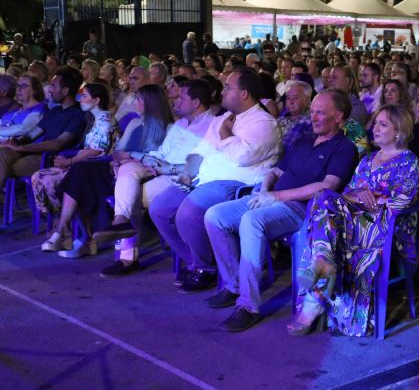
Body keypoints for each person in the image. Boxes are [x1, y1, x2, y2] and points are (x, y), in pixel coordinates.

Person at [203, 89, 359, 332]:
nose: (314, 117)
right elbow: (277, 171)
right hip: (271, 198)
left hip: (299, 208)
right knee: (215, 216)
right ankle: (234, 285)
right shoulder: (305, 139)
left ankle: (248, 306)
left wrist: (276, 195)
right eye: (313, 112)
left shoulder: (344, 147)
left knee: (251, 221)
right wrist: (264, 186)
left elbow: (327, 187)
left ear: (338, 116)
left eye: (321, 113)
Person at [288, 105, 419, 337]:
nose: (374, 128)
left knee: (323, 225)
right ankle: (323, 262)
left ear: (398, 130)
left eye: (383, 124)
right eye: (375, 122)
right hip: (353, 218)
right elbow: (347, 193)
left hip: (385, 224)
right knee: (323, 197)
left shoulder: (408, 161)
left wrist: (374, 197)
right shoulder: (367, 160)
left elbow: (404, 201)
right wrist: (358, 194)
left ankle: (315, 296)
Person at [149, 68, 280, 288]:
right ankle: (198, 262)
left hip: (236, 184)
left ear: (244, 94)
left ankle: (205, 268)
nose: (223, 91)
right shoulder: (223, 119)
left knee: (187, 214)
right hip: (202, 179)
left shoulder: (263, 122)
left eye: (228, 87)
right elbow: (200, 151)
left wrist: (227, 135)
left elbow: (243, 156)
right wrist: (187, 173)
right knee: (159, 209)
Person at [40, 83, 172, 262]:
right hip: (116, 166)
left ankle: (69, 234)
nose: (134, 101)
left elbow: (155, 159)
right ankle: (69, 233)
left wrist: (128, 160)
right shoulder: (134, 122)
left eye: (139, 99)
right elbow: (118, 150)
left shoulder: (168, 128)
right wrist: (120, 159)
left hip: (135, 173)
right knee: (79, 173)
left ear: (150, 102)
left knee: (79, 176)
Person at [90, 79, 215, 263]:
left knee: (128, 196)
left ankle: (127, 257)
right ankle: (120, 220)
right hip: (160, 167)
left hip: (181, 177)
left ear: (195, 103)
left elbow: (197, 164)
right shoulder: (180, 125)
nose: (176, 101)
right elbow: (162, 152)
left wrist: (152, 162)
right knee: (128, 169)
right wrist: (147, 160)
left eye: (181, 97)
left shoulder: (211, 126)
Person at [33, 83, 114, 255]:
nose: (80, 99)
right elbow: (88, 147)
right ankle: (63, 227)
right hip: (83, 165)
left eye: (84, 96)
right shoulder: (92, 119)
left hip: (96, 168)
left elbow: (97, 150)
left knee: (55, 182)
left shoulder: (105, 120)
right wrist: (67, 158)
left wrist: (70, 162)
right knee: (38, 177)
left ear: (97, 100)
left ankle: (64, 231)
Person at [0, 67, 85, 189]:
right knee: (2, 152)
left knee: (4, 165)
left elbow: (58, 143)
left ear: (65, 91)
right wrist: (16, 142)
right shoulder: (55, 111)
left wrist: (23, 147)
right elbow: (31, 135)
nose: (49, 90)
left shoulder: (78, 114)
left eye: (53, 86)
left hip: (51, 159)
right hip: (33, 153)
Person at [0, 75, 48, 140]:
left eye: (24, 86)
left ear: (35, 90)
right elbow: (4, 123)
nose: (19, 89)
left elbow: (24, 129)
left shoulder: (40, 109)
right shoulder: (20, 110)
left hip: (25, 148)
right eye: (18, 86)